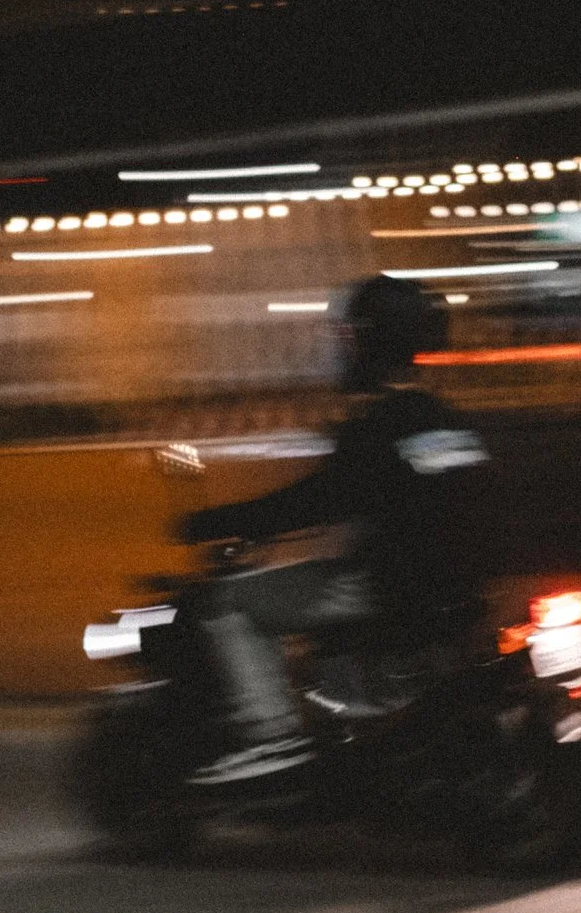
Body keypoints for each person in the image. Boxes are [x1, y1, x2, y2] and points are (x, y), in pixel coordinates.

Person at [175, 273, 499, 785]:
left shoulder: (377, 425)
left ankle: (273, 736)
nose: (336, 350)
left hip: (381, 586)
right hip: (452, 589)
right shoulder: (449, 420)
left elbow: (318, 500)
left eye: (344, 338)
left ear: (367, 342)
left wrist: (220, 521)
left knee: (228, 603)